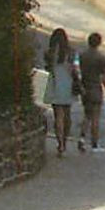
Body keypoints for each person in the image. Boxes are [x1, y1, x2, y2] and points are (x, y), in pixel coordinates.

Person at [42, 28, 78, 157]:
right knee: (67, 115)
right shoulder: (71, 53)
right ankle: (65, 140)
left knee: (58, 116)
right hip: (67, 85)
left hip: (55, 84)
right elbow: (75, 68)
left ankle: (60, 144)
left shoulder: (49, 53)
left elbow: (47, 67)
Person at [77, 32, 105, 151]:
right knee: (95, 118)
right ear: (99, 43)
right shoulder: (100, 58)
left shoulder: (82, 55)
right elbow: (104, 77)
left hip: (84, 88)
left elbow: (78, 71)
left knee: (87, 115)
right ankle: (94, 144)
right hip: (95, 89)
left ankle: (81, 139)